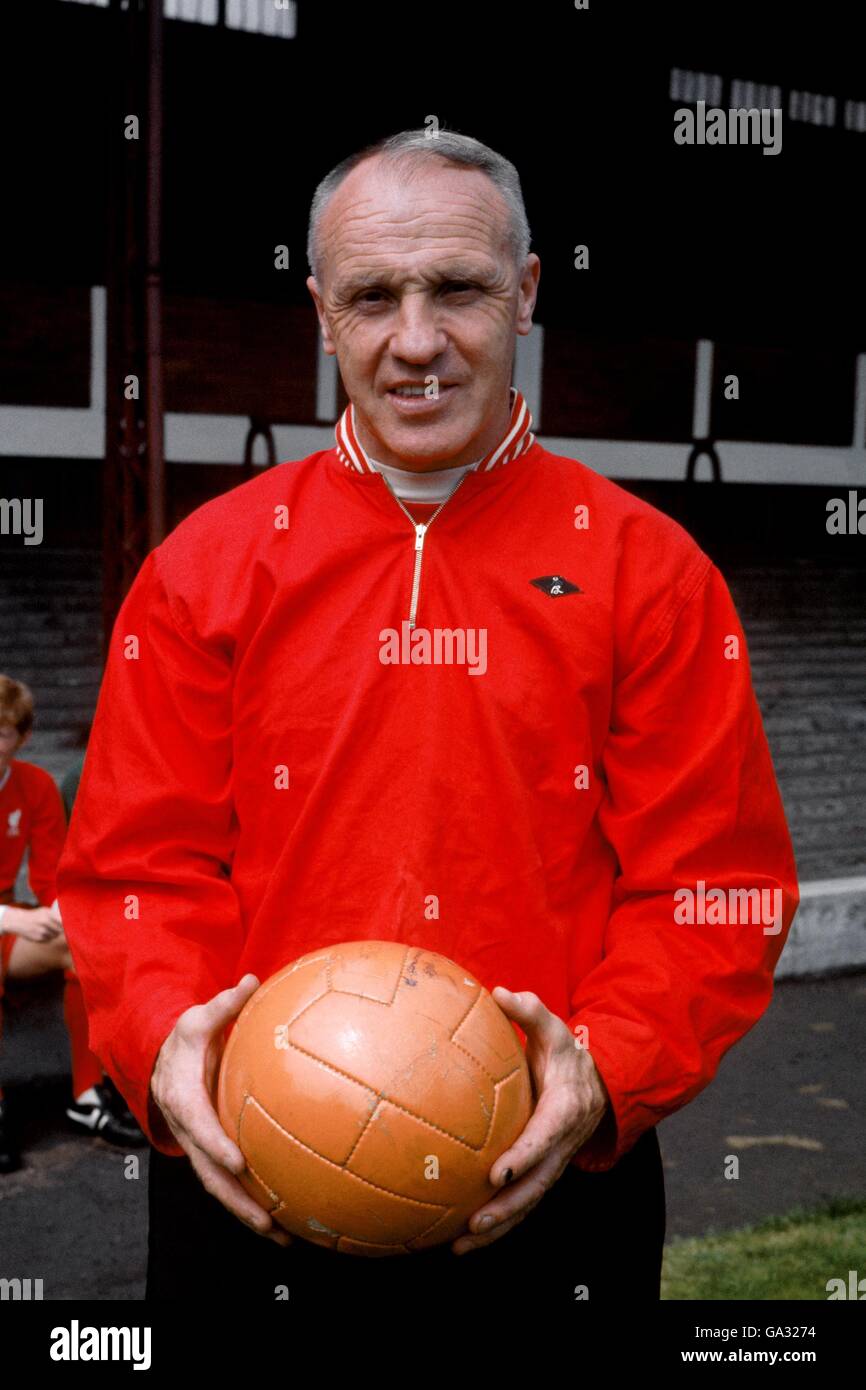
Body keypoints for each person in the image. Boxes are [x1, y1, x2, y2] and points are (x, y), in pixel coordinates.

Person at [57, 128, 799, 1305]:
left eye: (456, 289)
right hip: (251, 1175)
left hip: (547, 1183)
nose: (415, 340)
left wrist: (603, 1070)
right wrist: (165, 1040)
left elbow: (711, 888)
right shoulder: (205, 567)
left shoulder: (649, 573)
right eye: (372, 297)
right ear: (320, 313)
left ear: (526, 292)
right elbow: (134, 870)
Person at [0, 677, 144, 1172]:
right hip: (6, 918)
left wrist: (60, 914)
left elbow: (51, 878)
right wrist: (13, 918)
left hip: (11, 916)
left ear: (22, 738)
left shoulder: (36, 785)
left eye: (2, 733)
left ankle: (87, 1095)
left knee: (84, 944)